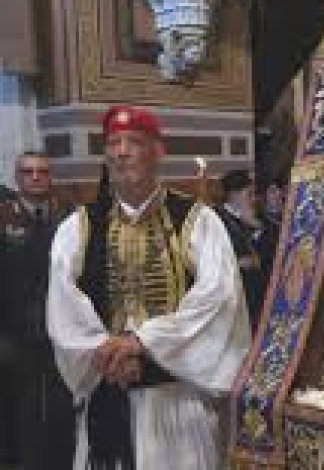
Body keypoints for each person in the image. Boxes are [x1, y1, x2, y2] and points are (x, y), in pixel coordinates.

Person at [47, 105, 251, 469]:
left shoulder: (197, 220)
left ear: (159, 152)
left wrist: (144, 343)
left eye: (134, 142)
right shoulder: (78, 226)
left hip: (177, 397)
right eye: (113, 143)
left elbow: (219, 297)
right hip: (108, 392)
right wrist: (107, 353)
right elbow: (63, 307)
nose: (121, 152)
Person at [0, 153, 75, 469]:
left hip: (61, 329)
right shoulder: (4, 217)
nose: (35, 177)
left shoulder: (68, 216)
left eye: (42, 171)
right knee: (22, 408)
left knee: (63, 404)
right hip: (15, 330)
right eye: (28, 172)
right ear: (17, 178)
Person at [215, 169, 278, 331]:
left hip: (262, 294)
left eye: (253, 194)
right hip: (235, 296)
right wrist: (236, 262)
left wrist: (257, 227)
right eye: (249, 194)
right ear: (233, 195)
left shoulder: (261, 218)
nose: (254, 199)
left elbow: (275, 248)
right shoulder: (217, 219)